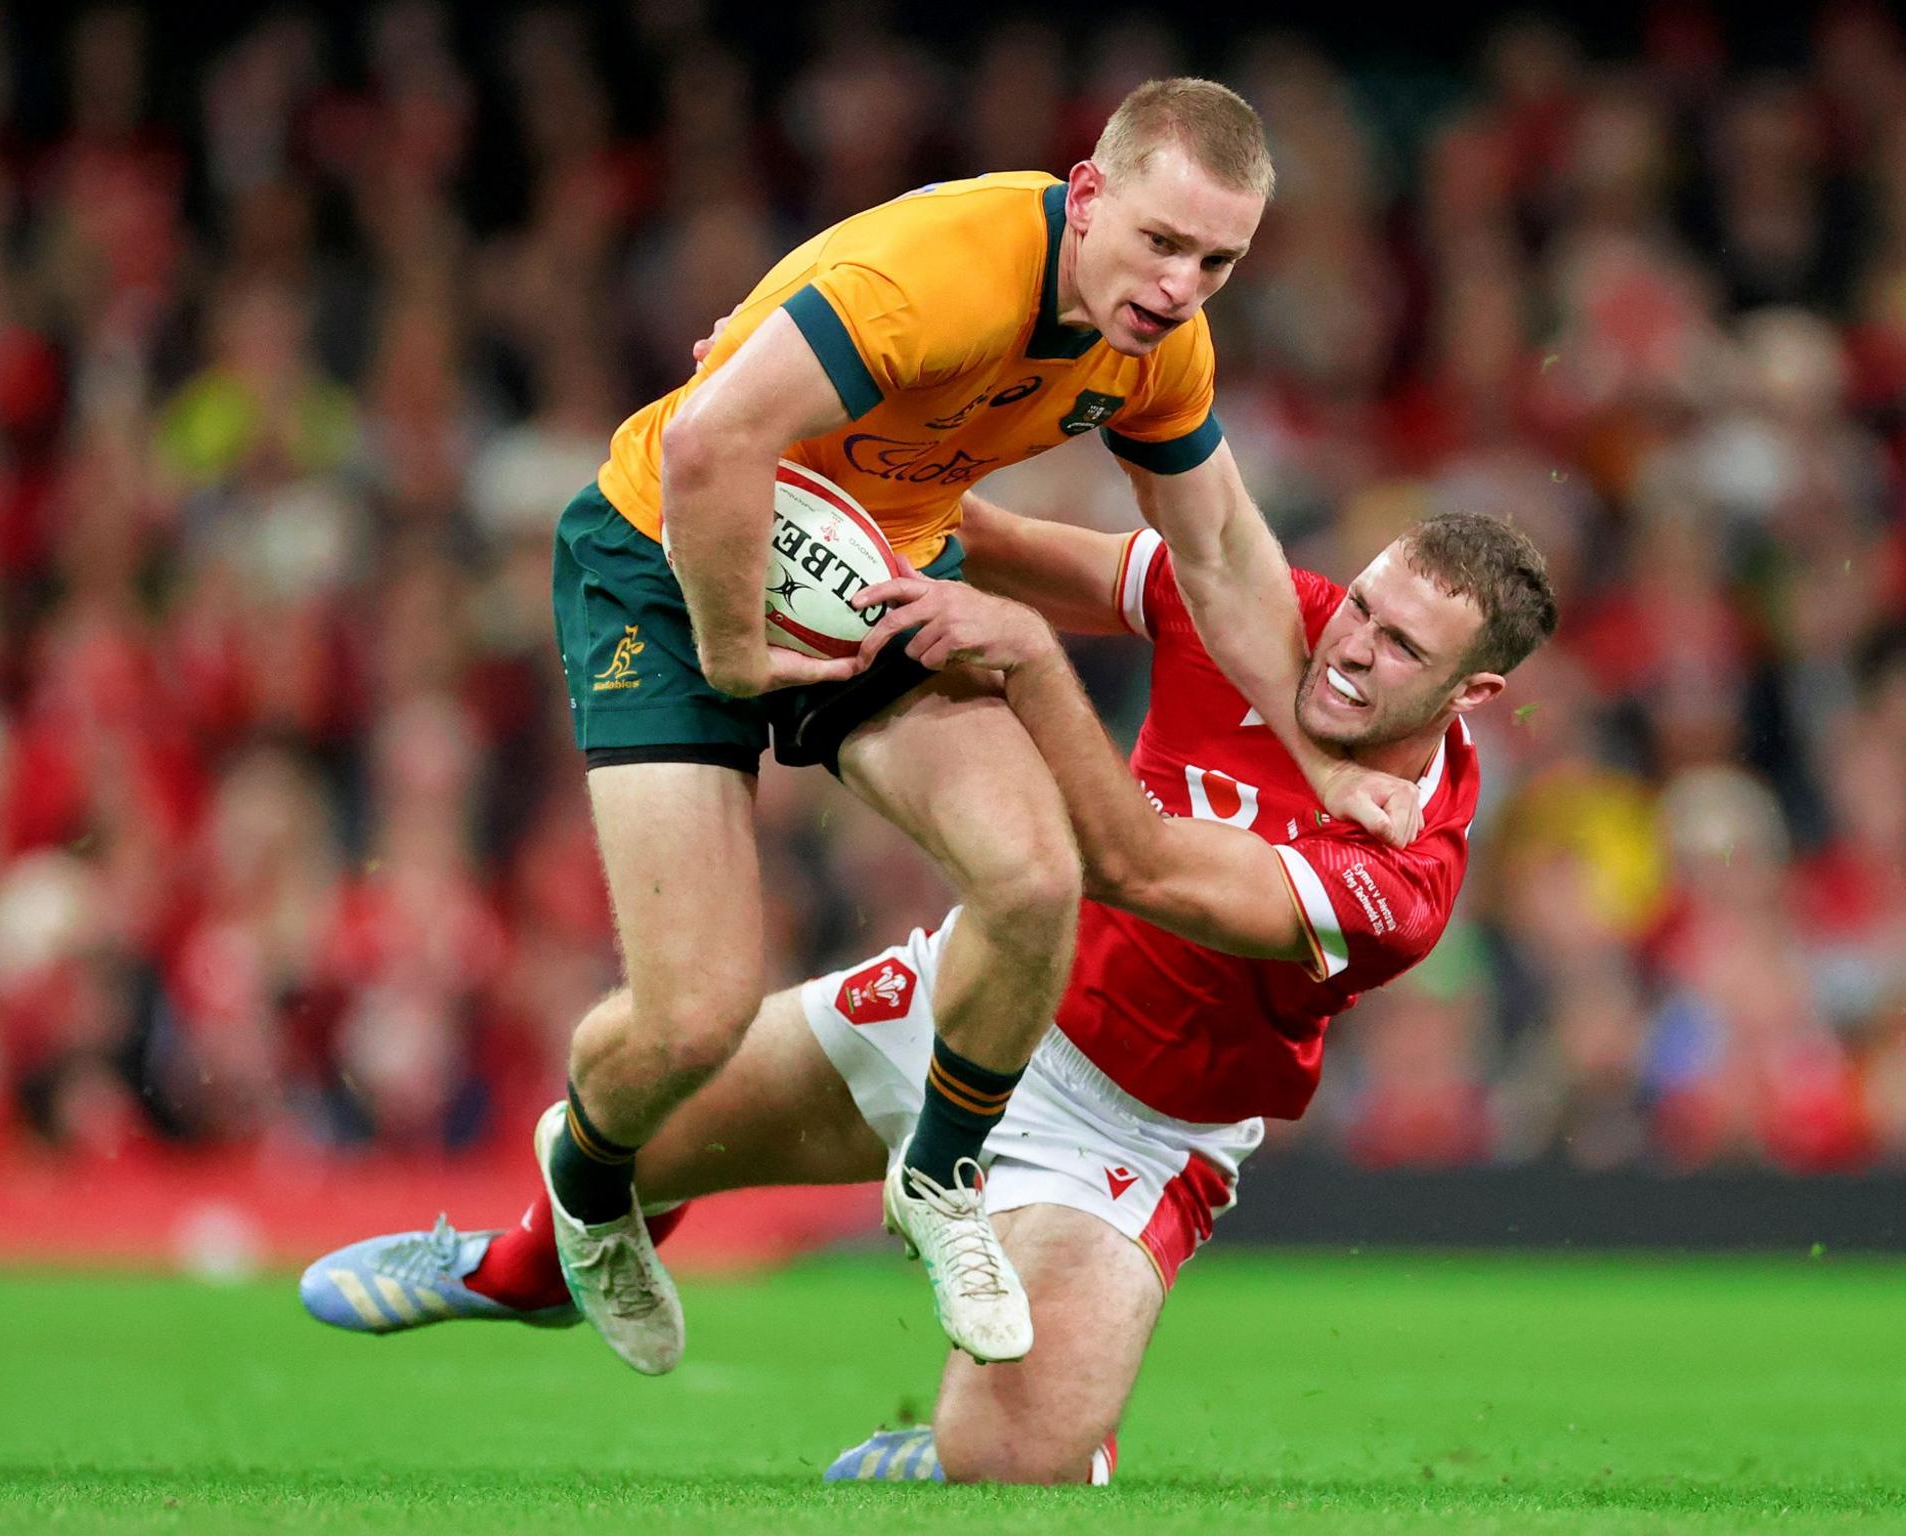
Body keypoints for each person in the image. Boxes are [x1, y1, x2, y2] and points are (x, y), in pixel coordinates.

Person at [301, 497, 1559, 1483]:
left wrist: (1027, 666)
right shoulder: (1259, 610)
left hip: (1130, 1133)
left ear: (1473, 695)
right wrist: (810, 455)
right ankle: (522, 1268)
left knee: (1010, 1468)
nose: (1348, 647)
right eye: (1364, 605)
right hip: (981, 994)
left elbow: (1134, 863)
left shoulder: (1409, 876)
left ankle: (1034, 1436)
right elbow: (991, 544)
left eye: (1401, 647)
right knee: (627, 1097)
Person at [527, 76, 1420, 1375]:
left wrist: (1319, 744)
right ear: (1091, 191)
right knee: (694, 1018)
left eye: (1218, 260)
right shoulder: (939, 276)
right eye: (1163, 242)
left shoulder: (1160, 346)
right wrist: (730, 653)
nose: (1181, 285)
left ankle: (937, 1179)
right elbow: (715, 442)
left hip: (874, 569)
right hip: (670, 558)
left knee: (1035, 875)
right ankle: (592, 1176)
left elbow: (1218, 545)